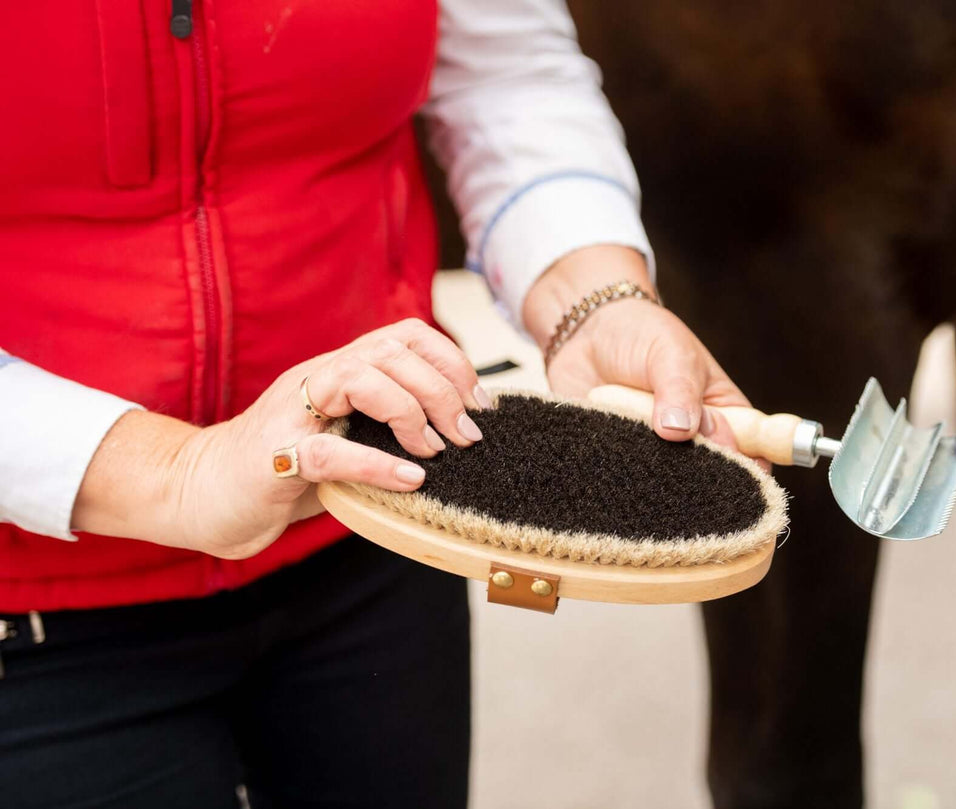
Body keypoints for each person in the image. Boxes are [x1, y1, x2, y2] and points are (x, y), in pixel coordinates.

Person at [0, 0, 751, 806]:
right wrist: (177, 472)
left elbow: (504, 73)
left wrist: (590, 295)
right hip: (40, 629)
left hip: (378, 535)